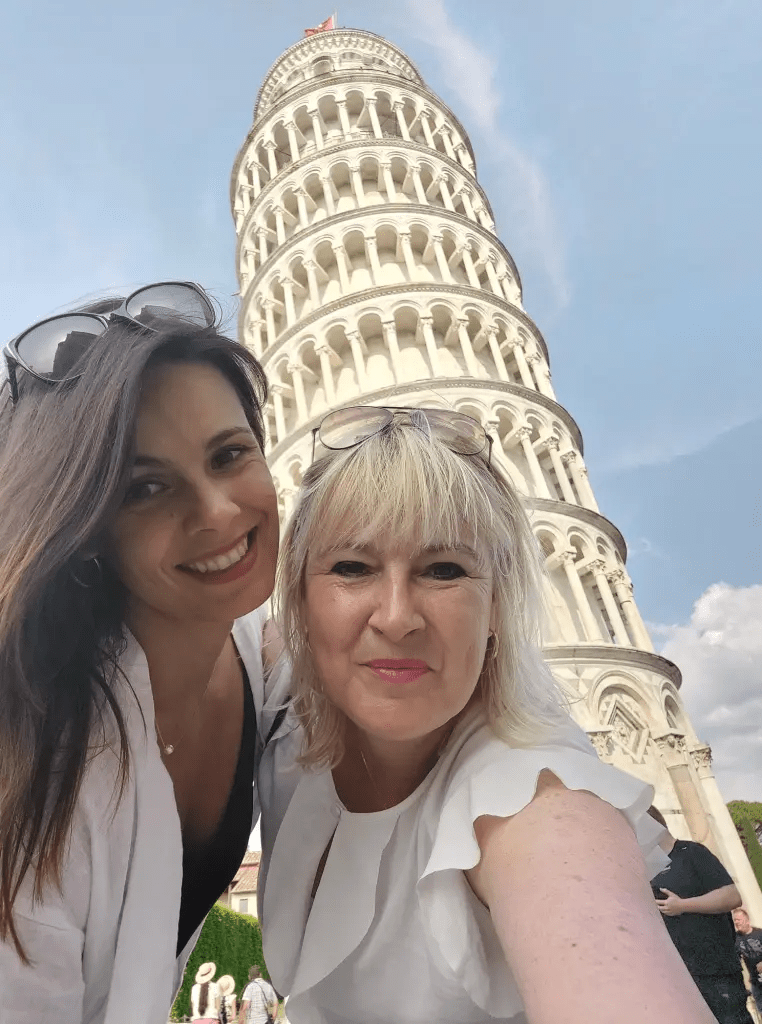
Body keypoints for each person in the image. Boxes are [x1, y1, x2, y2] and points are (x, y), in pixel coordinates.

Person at [256, 405, 716, 1024]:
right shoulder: (286, 699)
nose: (396, 617)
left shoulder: (538, 805)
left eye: (444, 570)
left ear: (497, 605)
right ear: (300, 598)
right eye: (352, 567)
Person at [0, 283, 282, 1023]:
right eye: (147, 488)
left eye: (230, 454)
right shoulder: (39, 755)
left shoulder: (266, 660)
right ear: (85, 527)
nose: (218, 511)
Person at [648, 806, 751, 1023]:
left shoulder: (691, 852)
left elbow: (731, 896)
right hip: (681, 976)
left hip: (715, 971)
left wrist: (682, 905)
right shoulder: (648, 870)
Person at [734, 908, 762, 1015]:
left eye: (739, 919)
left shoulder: (759, 933)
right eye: (735, 920)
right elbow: (736, 960)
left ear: (747, 920)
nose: (736, 922)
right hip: (756, 982)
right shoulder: (736, 939)